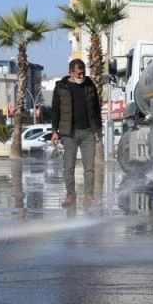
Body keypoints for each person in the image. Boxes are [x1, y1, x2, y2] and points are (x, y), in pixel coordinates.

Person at [50, 59, 102, 207]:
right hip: (69, 134)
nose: (81, 75)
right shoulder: (61, 87)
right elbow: (55, 110)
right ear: (71, 72)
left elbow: (96, 109)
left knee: (90, 168)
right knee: (69, 167)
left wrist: (98, 130)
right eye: (79, 73)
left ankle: (89, 196)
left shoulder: (89, 84)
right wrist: (54, 131)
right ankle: (70, 195)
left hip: (88, 133)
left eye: (83, 72)